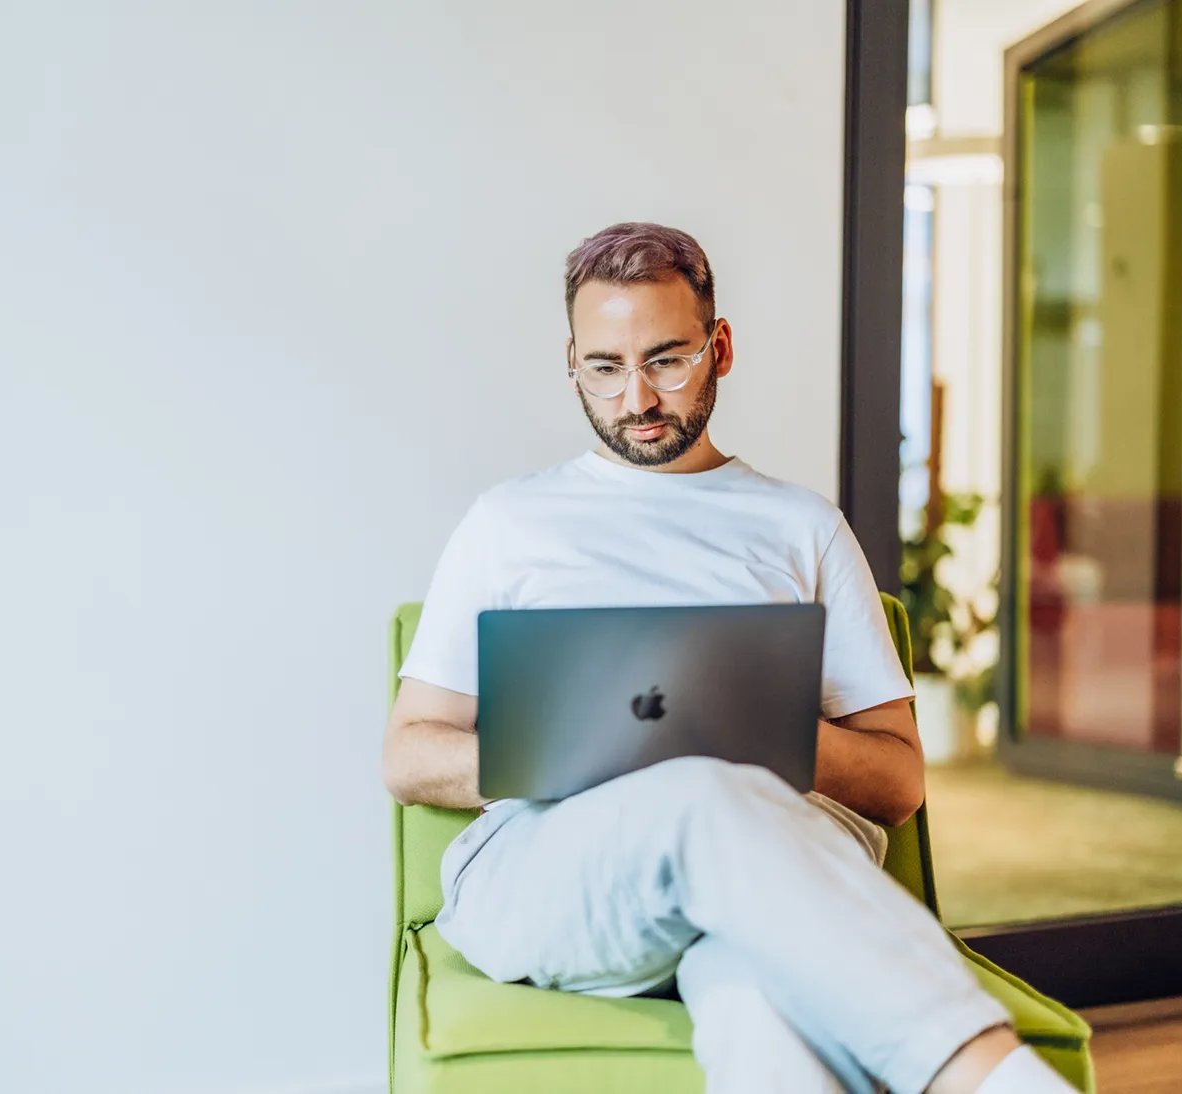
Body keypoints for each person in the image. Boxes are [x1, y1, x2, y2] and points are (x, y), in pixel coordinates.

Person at [380, 223, 1075, 1094]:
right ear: (571, 361)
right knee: (696, 792)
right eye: (603, 367)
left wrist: (753, 735)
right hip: (556, 868)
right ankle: (986, 1074)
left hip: (779, 870)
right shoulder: (508, 523)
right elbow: (408, 754)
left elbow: (897, 783)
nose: (636, 397)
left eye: (667, 360)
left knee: (760, 1011)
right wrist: (582, 750)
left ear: (721, 348)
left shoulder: (801, 526)